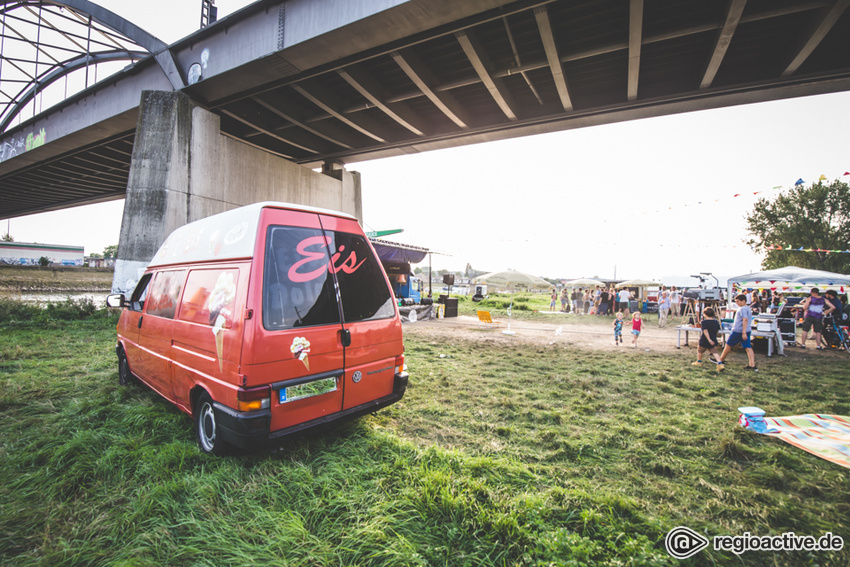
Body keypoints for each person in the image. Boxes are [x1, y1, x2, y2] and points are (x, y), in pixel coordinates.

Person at [716, 294, 757, 371]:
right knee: (748, 347)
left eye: (738, 301)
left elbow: (745, 319)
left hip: (739, 331)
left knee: (728, 345)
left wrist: (743, 332)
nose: (737, 303)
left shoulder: (742, 309)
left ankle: (721, 360)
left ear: (743, 301)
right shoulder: (747, 308)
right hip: (746, 330)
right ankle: (752, 364)